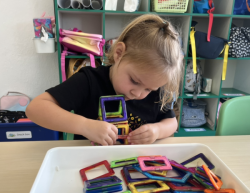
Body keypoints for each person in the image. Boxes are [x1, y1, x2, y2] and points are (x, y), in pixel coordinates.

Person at [26, 14, 183, 146]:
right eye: (134, 81)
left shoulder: (154, 85)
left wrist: (157, 131)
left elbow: (171, 123)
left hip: (134, 165)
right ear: (119, 53)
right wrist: (85, 126)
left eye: (149, 90)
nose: (138, 93)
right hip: (91, 165)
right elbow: (35, 108)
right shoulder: (89, 81)